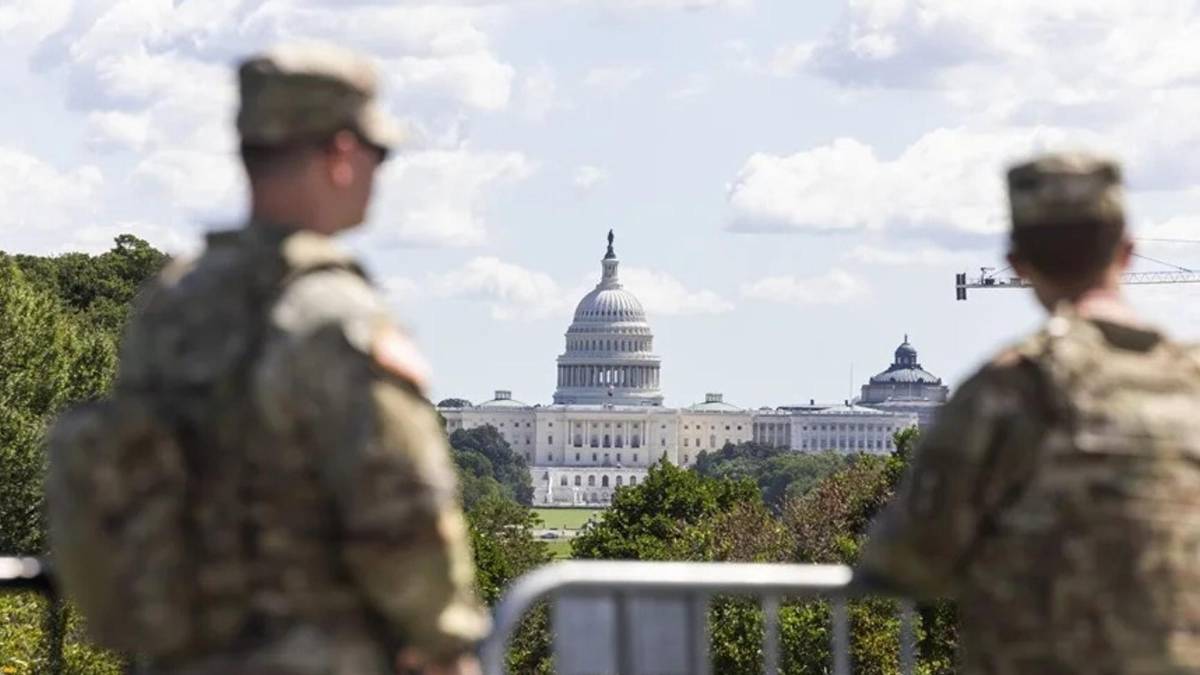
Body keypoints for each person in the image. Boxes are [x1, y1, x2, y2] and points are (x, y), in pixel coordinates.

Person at [53, 43, 489, 675]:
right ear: (341, 154)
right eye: (379, 153)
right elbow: (404, 518)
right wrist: (447, 646)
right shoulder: (334, 317)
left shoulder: (172, 302)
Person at [857, 153, 1200, 673]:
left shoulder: (1013, 387)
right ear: (1127, 252)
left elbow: (909, 558)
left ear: (1017, 262)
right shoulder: (1190, 379)